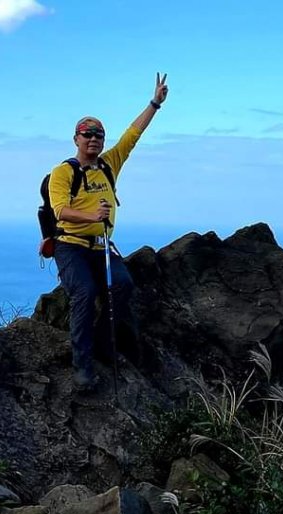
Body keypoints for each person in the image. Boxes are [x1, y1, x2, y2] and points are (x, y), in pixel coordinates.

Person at [49, 73, 169, 389]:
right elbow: (60, 211)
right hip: (70, 245)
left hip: (101, 246)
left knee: (123, 286)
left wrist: (154, 104)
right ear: (76, 138)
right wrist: (92, 213)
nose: (94, 139)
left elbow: (133, 135)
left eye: (99, 135)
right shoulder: (62, 173)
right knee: (85, 294)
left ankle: (102, 343)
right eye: (87, 134)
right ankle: (82, 366)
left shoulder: (108, 164)